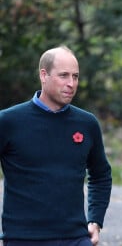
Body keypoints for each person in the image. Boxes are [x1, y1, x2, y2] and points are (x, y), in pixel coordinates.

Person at [0, 45, 112, 246]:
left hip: (75, 239)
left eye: (75, 76)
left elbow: (101, 174)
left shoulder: (86, 124)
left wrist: (95, 220)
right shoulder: (9, 122)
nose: (71, 83)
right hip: (23, 239)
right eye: (64, 76)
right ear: (44, 75)